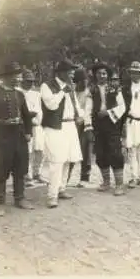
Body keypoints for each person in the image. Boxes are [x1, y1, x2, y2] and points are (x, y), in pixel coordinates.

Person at [40, 59, 84, 208]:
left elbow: (75, 104)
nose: (72, 73)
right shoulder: (47, 85)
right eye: (70, 70)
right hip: (54, 127)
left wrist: (80, 115)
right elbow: (51, 105)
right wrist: (61, 92)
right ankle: (51, 196)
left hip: (70, 125)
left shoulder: (70, 86)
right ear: (61, 72)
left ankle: (61, 188)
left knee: (68, 159)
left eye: (73, 70)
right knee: (56, 161)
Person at [0, 62, 35, 216]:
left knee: (20, 168)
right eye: (14, 76)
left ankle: (20, 198)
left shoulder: (20, 94)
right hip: (2, 139)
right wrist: (3, 122)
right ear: (5, 77)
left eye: (18, 75)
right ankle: (0, 203)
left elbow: (27, 116)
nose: (17, 79)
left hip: (19, 137)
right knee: (1, 170)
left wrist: (28, 132)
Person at [89, 62, 127, 195]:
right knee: (101, 152)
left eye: (104, 73)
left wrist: (108, 112)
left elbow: (122, 107)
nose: (102, 76)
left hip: (112, 124)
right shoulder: (92, 89)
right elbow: (88, 107)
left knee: (115, 152)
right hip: (98, 124)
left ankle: (119, 185)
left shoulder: (115, 89)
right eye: (99, 73)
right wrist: (89, 123)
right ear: (95, 75)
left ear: (108, 75)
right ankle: (106, 182)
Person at [66, 68, 94, 188]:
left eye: (85, 80)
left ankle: (84, 177)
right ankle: (65, 177)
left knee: (86, 150)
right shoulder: (71, 92)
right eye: (81, 81)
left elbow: (88, 109)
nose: (84, 83)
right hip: (72, 124)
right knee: (70, 150)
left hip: (86, 124)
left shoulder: (89, 93)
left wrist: (80, 119)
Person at [20, 69, 45, 184]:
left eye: (31, 81)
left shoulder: (37, 94)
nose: (30, 83)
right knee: (28, 151)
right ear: (22, 81)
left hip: (38, 125)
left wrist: (38, 118)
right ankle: (27, 175)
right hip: (25, 126)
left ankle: (37, 173)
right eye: (27, 81)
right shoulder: (18, 93)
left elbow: (40, 109)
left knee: (40, 150)